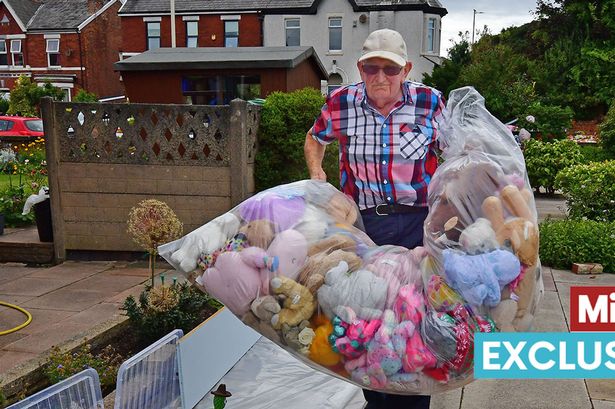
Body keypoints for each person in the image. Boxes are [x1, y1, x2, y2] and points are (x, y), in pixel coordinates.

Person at [304, 28, 446, 409]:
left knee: (413, 316)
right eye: (370, 68)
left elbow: (457, 150)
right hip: (366, 226)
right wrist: (317, 173)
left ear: (406, 69)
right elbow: (316, 137)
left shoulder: (431, 102)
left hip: (419, 224)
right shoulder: (341, 102)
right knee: (367, 314)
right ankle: (376, 397)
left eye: (389, 69)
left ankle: (414, 398)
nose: (380, 78)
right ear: (360, 68)